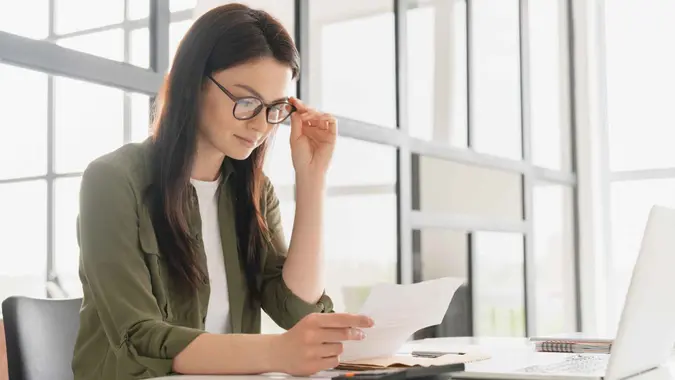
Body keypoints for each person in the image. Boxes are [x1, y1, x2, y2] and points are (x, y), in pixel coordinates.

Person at [71, 3, 373, 379]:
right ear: (194, 83)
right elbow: (139, 338)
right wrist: (276, 351)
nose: (261, 125)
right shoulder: (113, 181)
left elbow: (296, 309)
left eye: (274, 108)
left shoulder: (254, 192)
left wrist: (312, 178)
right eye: (246, 102)